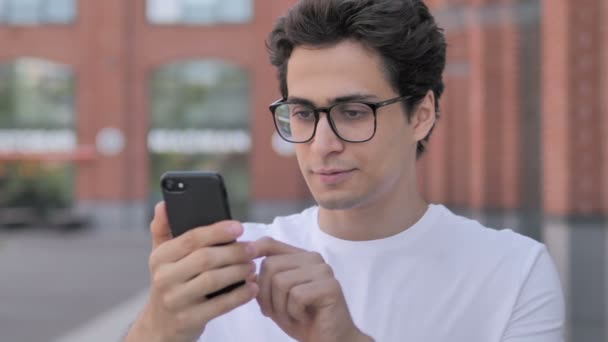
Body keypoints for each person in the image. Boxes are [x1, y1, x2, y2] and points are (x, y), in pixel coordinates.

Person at [124, 0, 565, 341]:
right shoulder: (232, 268)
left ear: (421, 115)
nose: (322, 144)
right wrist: (157, 327)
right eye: (302, 113)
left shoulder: (512, 271)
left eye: (353, 112)